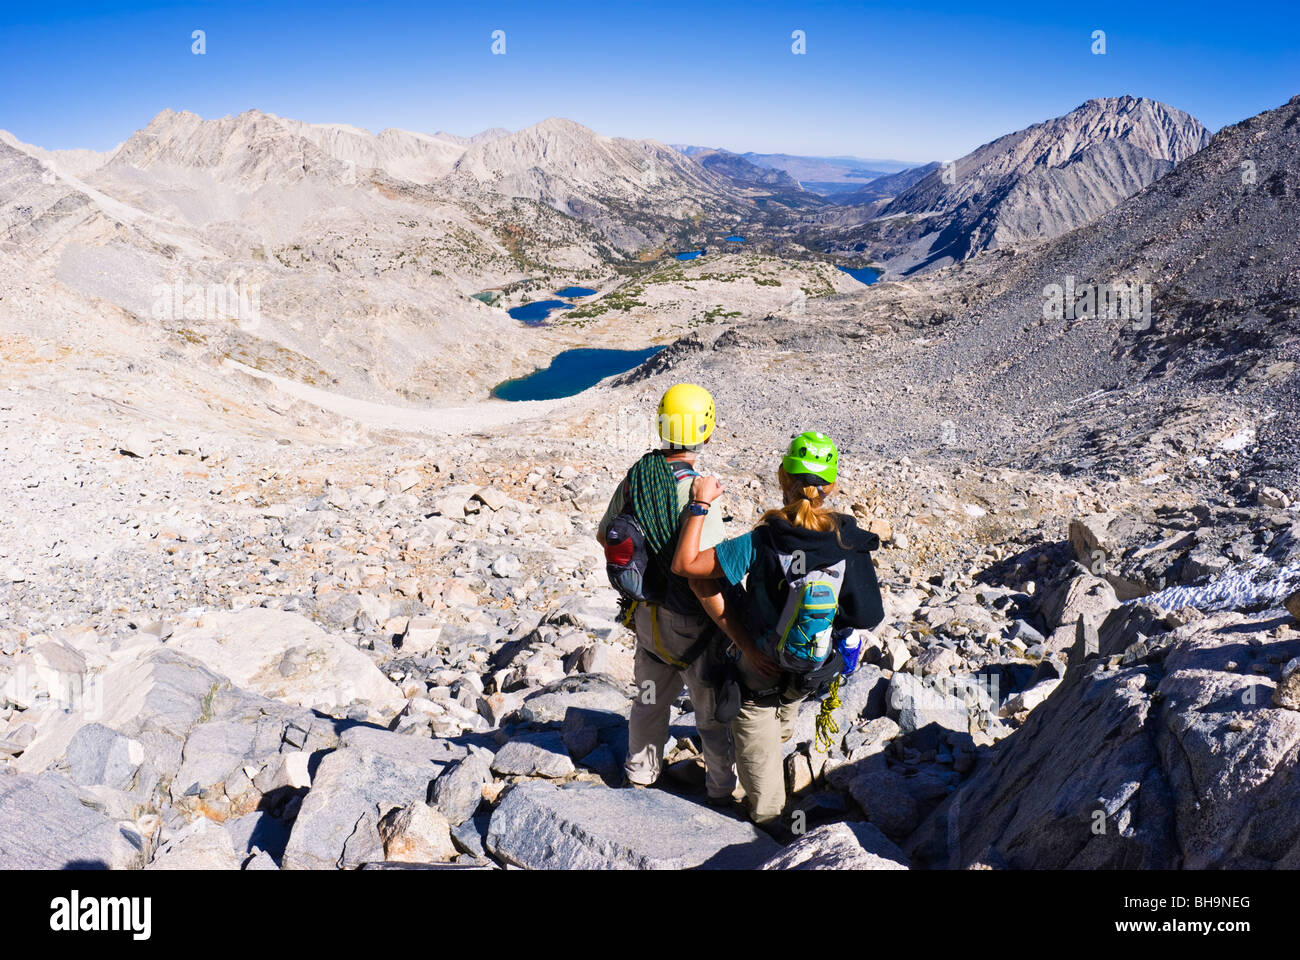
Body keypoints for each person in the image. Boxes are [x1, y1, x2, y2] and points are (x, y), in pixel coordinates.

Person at [671, 430, 884, 828]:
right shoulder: (848, 539)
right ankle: (770, 754)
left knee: (761, 760)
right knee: (777, 723)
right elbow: (867, 614)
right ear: (832, 484)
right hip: (810, 667)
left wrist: (699, 505)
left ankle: (768, 830)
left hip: (759, 665)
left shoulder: (764, 539)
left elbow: (686, 566)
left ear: (783, 479)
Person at [596, 383, 737, 804]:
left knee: (648, 699)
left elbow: (607, 533)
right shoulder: (699, 493)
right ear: (707, 433)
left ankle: (640, 773)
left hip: (647, 617)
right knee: (710, 715)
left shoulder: (638, 476)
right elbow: (705, 571)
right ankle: (720, 790)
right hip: (693, 625)